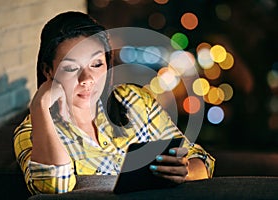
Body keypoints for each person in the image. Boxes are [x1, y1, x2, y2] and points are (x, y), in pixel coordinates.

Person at [13, 11, 215, 195]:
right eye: (71, 68)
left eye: (97, 64)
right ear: (49, 71)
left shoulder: (134, 100)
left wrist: (185, 170)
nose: (87, 78)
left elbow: (201, 160)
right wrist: (40, 106)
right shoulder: (31, 131)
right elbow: (54, 186)